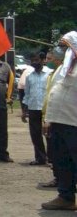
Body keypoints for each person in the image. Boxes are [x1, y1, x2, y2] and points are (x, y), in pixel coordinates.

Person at [41, 31, 77, 210]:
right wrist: (48, 119)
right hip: (58, 122)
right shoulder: (62, 69)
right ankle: (66, 197)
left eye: (64, 46)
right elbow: (53, 95)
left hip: (74, 123)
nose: (59, 49)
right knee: (61, 161)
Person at [38, 45, 66, 188]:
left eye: (50, 59)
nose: (46, 61)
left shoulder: (62, 73)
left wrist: (49, 119)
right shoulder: (53, 73)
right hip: (50, 115)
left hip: (58, 118)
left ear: (59, 59)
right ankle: (58, 177)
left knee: (58, 151)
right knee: (53, 150)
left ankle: (62, 180)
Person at [21, 51, 51, 165]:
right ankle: (40, 158)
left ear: (43, 60)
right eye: (33, 60)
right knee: (35, 135)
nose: (34, 62)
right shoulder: (29, 77)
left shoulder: (50, 74)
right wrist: (24, 111)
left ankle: (52, 158)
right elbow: (27, 94)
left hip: (46, 109)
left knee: (49, 134)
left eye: (37, 60)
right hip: (33, 109)